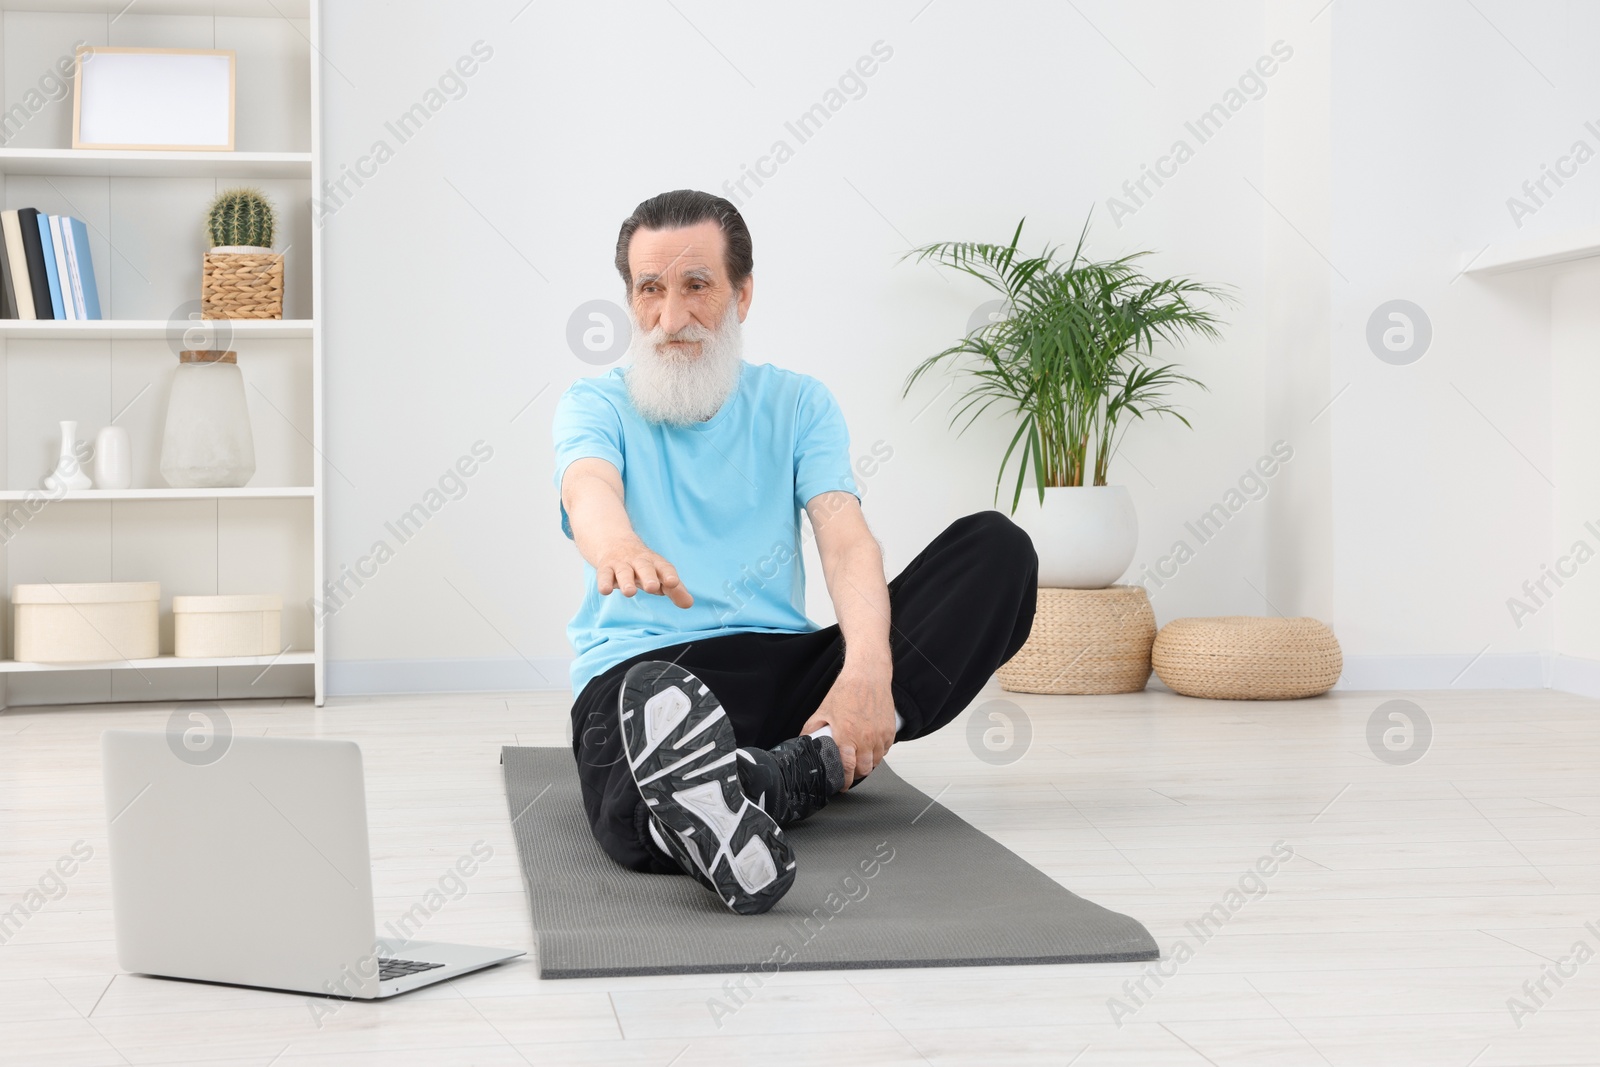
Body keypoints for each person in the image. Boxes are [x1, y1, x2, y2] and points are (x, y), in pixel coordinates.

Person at [553, 189, 1037, 914]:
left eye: (697, 286)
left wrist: (868, 670)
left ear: (742, 294)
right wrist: (617, 540)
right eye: (650, 290)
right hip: (645, 675)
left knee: (999, 553)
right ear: (630, 300)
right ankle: (786, 778)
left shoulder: (799, 403)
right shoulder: (596, 404)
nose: (671, 317)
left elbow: (845, 543)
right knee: (626, 758)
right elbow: (587, 485)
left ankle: (754, 776)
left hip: (785, 672)